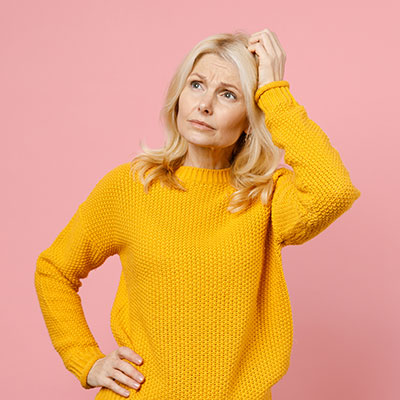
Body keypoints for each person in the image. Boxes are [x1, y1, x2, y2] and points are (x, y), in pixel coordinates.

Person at [34, 28, 361, 399]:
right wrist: (85, 359)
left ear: (250, 118)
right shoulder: (132, 185)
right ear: (179, 96)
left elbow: (332, 189)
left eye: (228, 94)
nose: (205, 104)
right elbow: (54, 270)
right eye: (196, 85)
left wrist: (275, 92)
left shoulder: (264, 197)